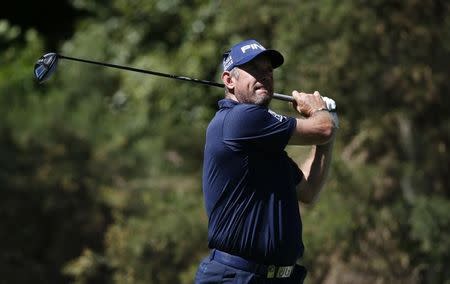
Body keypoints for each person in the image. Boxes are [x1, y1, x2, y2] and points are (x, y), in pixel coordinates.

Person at [195, 39, 338, 283]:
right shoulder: (239, 119)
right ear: (229, 80)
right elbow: (323, 129)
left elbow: (308, 190)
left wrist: (328, 129)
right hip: (236, 277)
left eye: (268, 70)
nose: (264, 76)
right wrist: (321, 112)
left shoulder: (264, 143)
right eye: (253, 70)